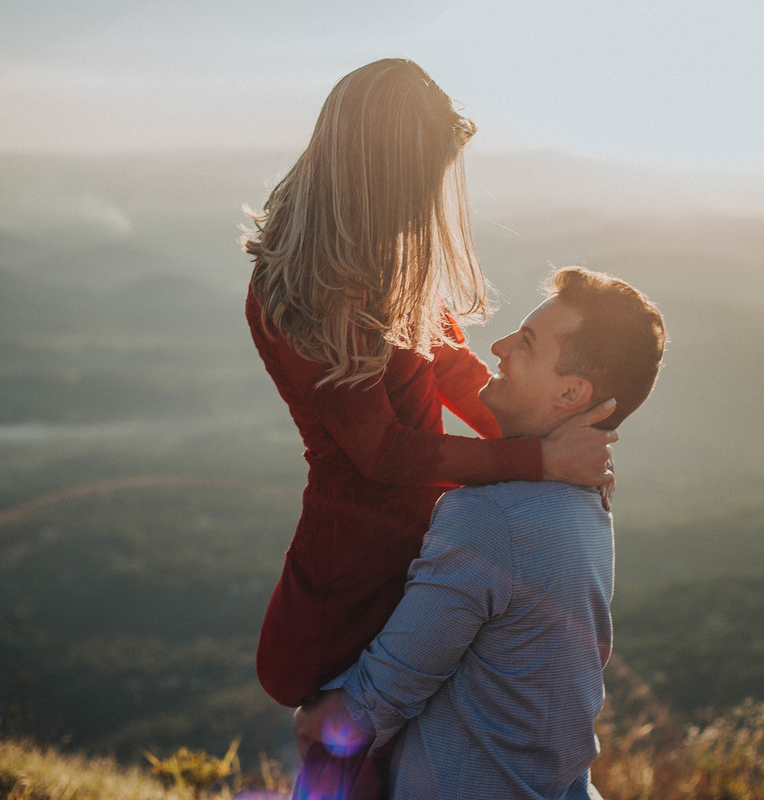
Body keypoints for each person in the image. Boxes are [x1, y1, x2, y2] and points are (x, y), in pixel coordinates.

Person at [241, 60, 616, 794]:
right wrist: (538, 463)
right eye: (421, 177)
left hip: (415, 554)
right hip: (353, 575)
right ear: (380, 169)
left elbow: (450, 370)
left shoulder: (381, 258)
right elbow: (380, 452)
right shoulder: (310, 286)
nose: (429, 199)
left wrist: (547, 433)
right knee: (356, 771)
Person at [294, 267, 667, 799]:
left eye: (527, 344)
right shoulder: (588, 500)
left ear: (570, 392)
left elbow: (383, 693)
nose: (500, 345)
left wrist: (316, 723)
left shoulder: (492, 518)